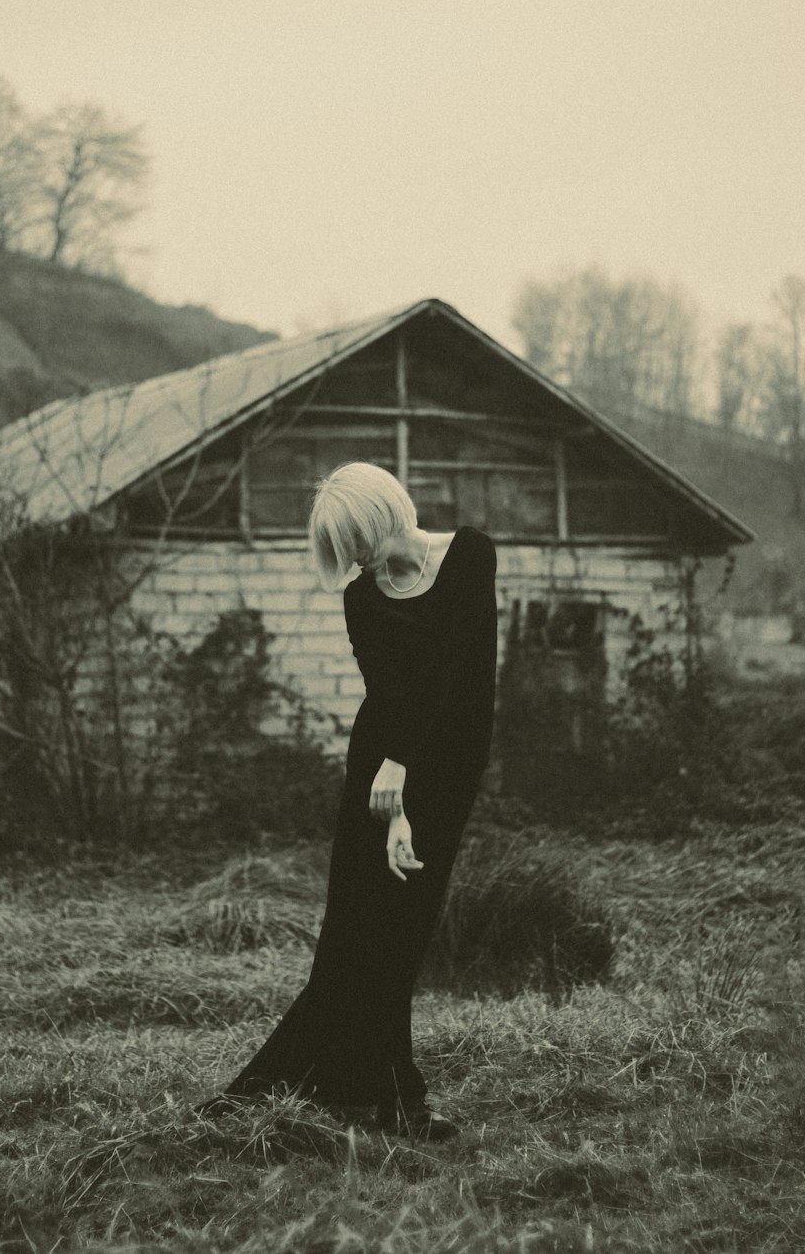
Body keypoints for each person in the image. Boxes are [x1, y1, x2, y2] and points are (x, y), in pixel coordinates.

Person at [196, 461, 498, 1140]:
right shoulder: (363, 597)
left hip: (442, 769)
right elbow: (388, 696)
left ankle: (382, 1096)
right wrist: (390, 805)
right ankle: (382, 1100)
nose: (357, 559)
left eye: (358, 539)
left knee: (403, 936)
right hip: (379, 772)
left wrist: (406, 781)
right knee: (353, 936)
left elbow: (459, 680)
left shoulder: (471, 555)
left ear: (380, 514)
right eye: (346, 549)